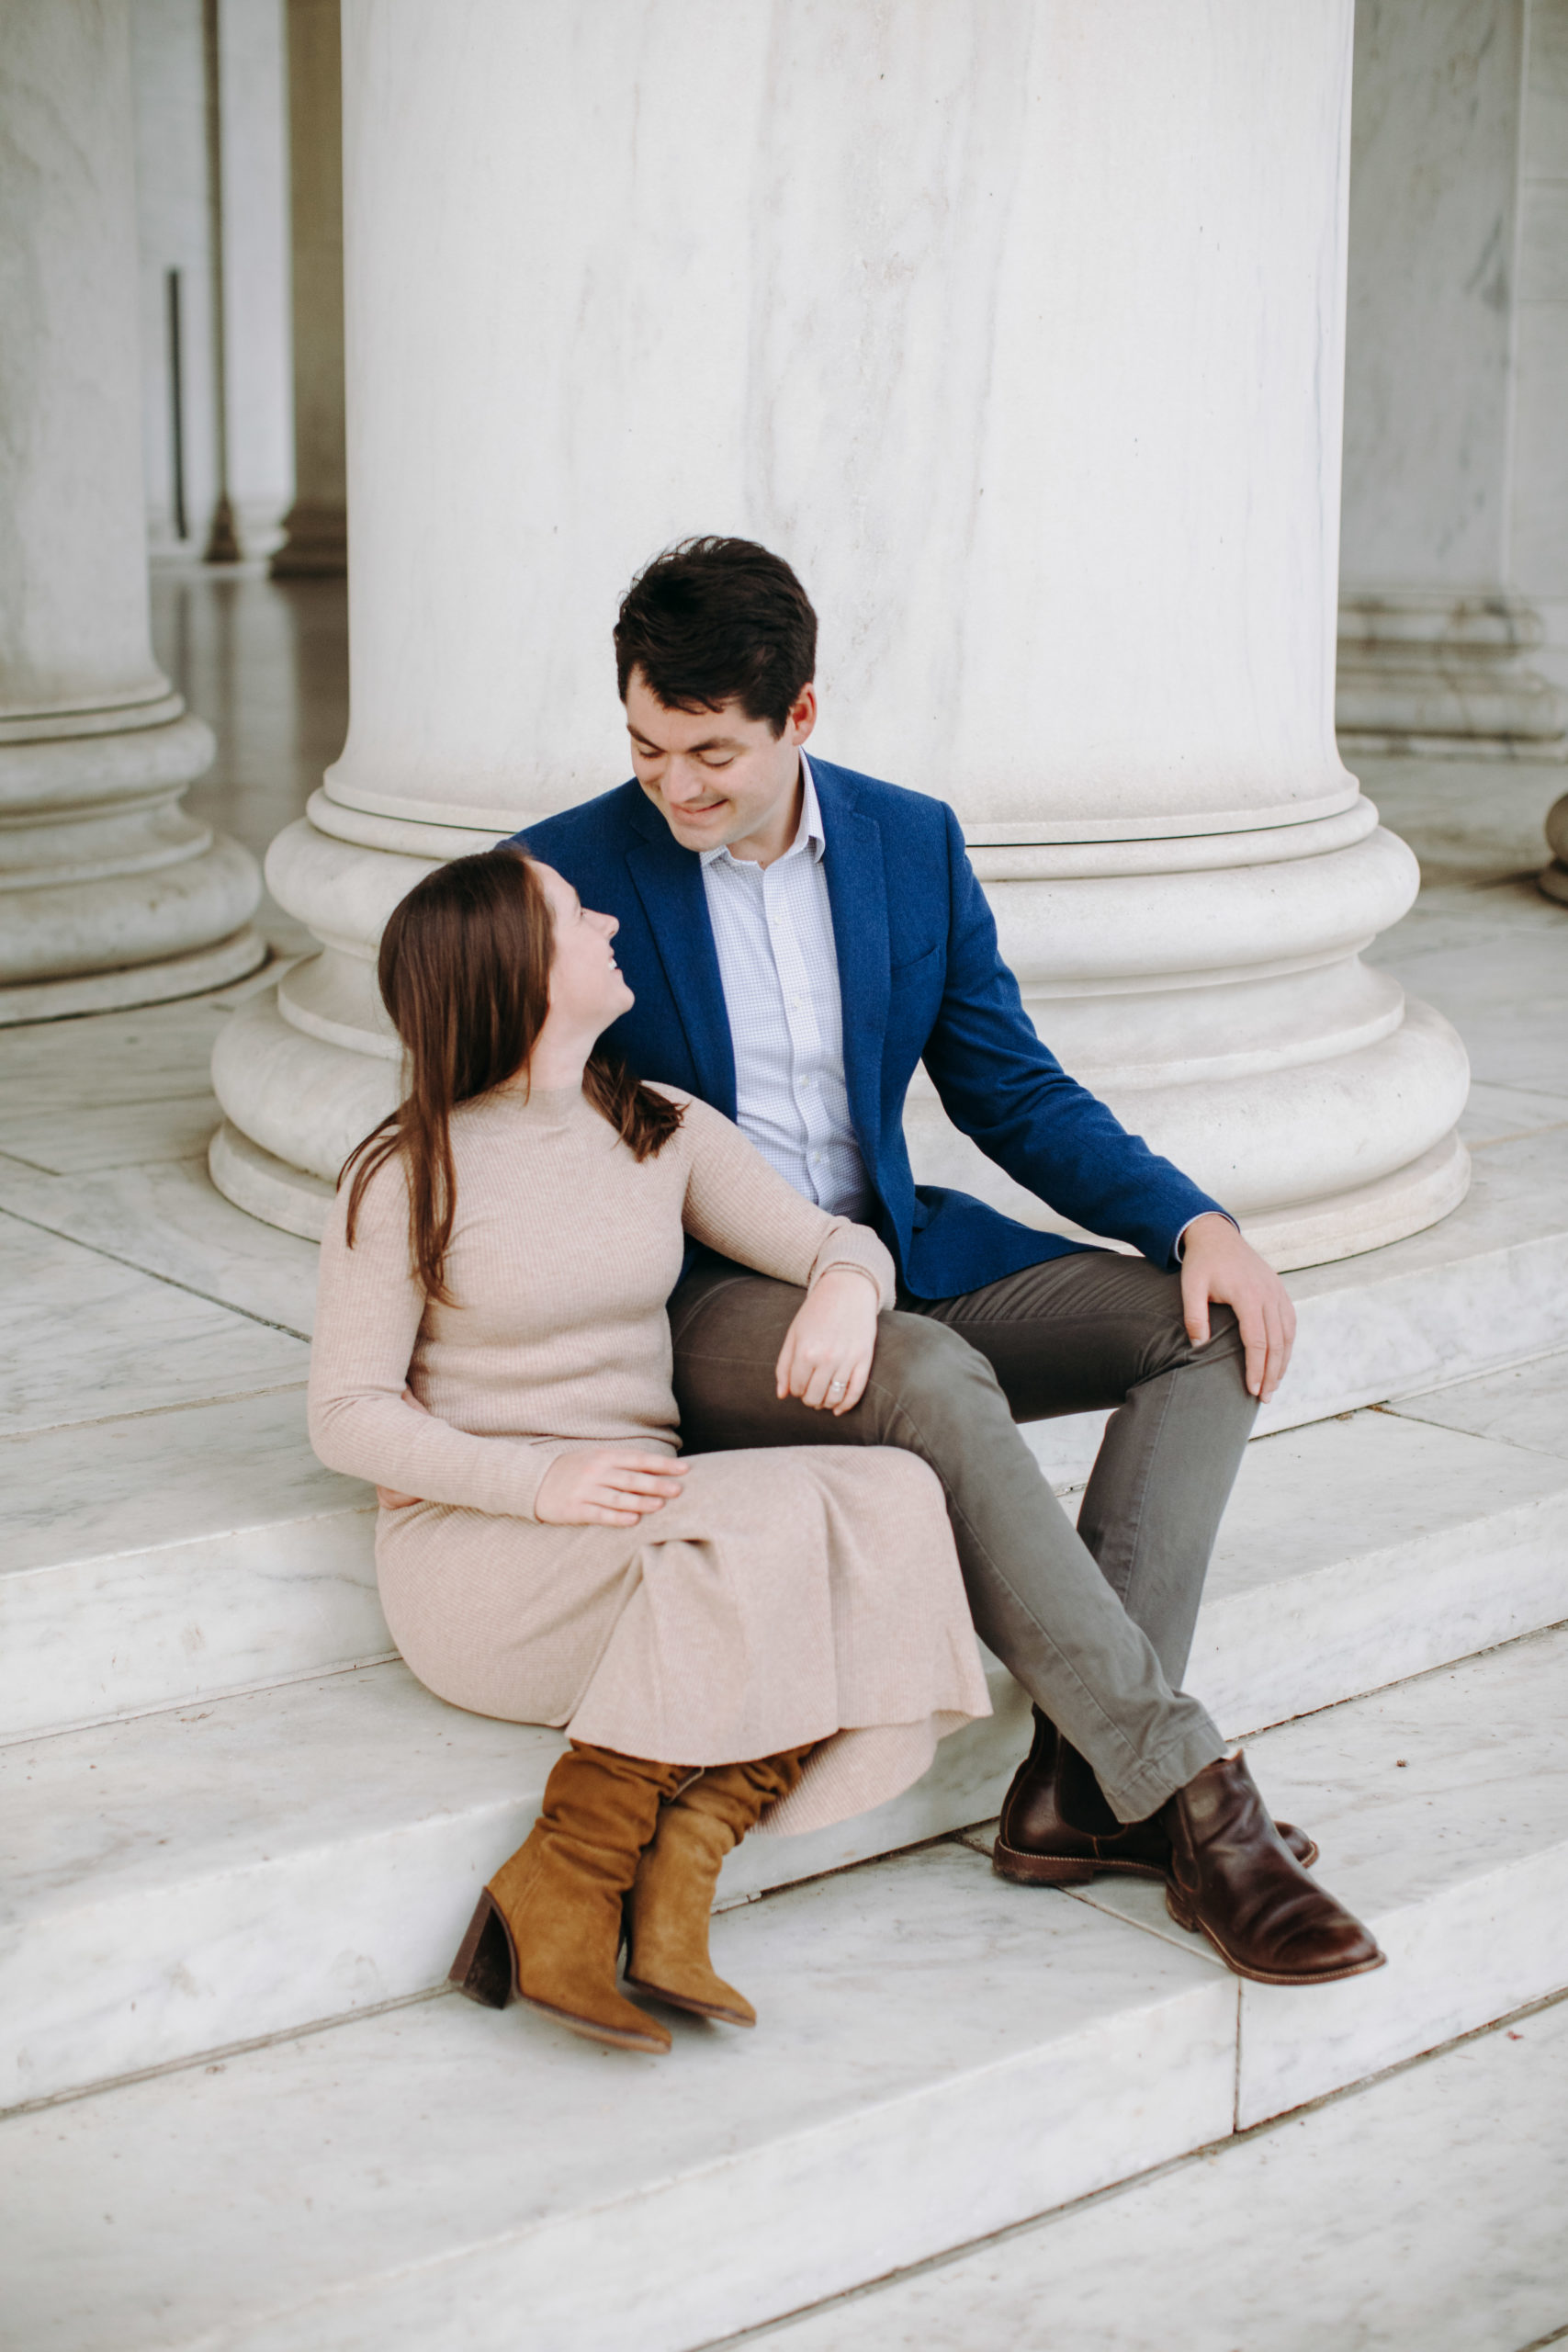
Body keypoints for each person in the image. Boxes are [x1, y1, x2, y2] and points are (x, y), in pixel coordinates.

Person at [508, 535, 1384, 1990]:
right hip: (711, 1305)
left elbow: (1012, 1088)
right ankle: (1185, 1793)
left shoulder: (910, 844)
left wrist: (1197, 1223)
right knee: (929, 1370)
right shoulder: (562, 875)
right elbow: (501, 1130)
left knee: (1208, 1329)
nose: (673, 788)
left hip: (905, 1252)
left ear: (800, 717)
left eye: (710, 753)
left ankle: (1070, 1791)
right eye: (648, 748)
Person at [308, 846, 991, 2055]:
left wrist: (846, 1286)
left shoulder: (660, 1128)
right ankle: (568, 1873)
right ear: (513, 967)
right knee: (776, 1527)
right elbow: (347, 1414)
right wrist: (538, 1479)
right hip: (488, 1559)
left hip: (652, 1522)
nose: (610, 917)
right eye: (574, 913)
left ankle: (685, 1858)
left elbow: (837, 1239)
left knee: (894, 1489)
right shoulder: (404, 1172)